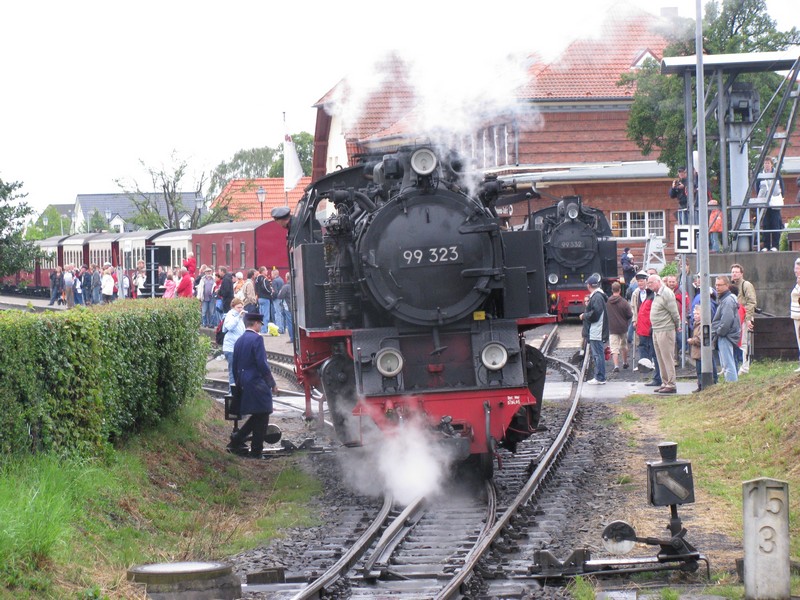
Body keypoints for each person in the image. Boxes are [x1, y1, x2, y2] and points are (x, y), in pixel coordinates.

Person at [227, 311, 278, 459]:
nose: (260, 327)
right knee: (264, 412)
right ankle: (256, 451)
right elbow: (262, 363)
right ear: (256, 324)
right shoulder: (257, 340)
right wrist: (271, 383)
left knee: (258, 414)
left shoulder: (239, 340)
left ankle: (237, 441)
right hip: (256, 382)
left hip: (243, 381)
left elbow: (235, 365)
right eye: (260, 324)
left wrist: (239, 383)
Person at [649, 274, 680, 394]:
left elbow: (674, 312)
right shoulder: (657, 294)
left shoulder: (666, 293)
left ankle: (671, 384)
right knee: (660, 358)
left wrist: (677, 326)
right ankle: (665, 382)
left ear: (658, 282)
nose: (649, 285)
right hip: (656, 329)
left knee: (667, 357)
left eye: (651, 283)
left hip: (665, 329)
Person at [580, 274, 609, 385]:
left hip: (596, 330)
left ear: (589, 285)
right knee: (598, 354)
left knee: (598, 354)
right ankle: (599, 376)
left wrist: (584, 316)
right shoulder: (599, 296)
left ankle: (600, 377)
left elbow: (596, 313)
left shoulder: (596, 297)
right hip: (596, 329)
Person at [711, 276, 741, 383]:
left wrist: (719, 332)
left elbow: (726, 320)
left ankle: (732, 385)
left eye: (720, 285)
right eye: (716, 285)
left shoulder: (728, 300)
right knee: (727, 362)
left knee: (728, 363)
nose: (717, 287)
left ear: (727, 286)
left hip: (726, 335)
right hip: (727, 334)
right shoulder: (726, 299)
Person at [730, 263, 756, 375]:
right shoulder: (732, 286)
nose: (734, 274)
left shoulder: (746, 285)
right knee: (737, 342)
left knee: (744, 342)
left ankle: (745, 367)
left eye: (736, 272)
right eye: (732, 272)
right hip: (736, 317)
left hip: (744, 317)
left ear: (741, 273)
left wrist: (748, 318)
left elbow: (752, 301)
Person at [606, 281, 632, 373]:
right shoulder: (624, 302)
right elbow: (629, 314)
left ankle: (616, 366)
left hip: (612, 328)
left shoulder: (608, 302)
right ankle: (625, 362)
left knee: (614, 348)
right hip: (623, 327)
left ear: (612, 290)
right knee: (624, 346)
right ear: (620, 290)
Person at [759, 158, 784, 251]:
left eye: (768, 163)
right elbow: (758, 187)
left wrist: (780, 198)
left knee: (775, 224)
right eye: (765, 163)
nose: (766, 165)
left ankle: (775, 246)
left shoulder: (777, 175)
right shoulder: (761, 175)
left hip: (775, 203)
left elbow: (782, 187)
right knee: (765, 225)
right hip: (765, 204)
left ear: (771, 164)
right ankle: (766, 245)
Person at [222, 298, 247, 389]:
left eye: (242, 307)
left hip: (238, 348)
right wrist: (238, 317)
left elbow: (241, 331)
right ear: (233, 307)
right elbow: (229, 326)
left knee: (239, 371)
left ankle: (237, 391)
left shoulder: (240, 317)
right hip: (230, 348)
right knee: (233, 371)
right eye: (238, 307)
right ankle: (231, 392)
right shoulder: (231, 315)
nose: (240, 309)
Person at [276, 271, 294, 343]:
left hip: (288, 307)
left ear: (286, 278)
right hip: (296, 307)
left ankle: (292, 338)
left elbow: (280, 296)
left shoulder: (285, 287)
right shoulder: (295, 285)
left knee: (289, 323)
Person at [255, 266, 274, 333]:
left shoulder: (257, 279)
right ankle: (264, 330)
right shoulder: (264, 279)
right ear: (263, 271)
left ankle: (260, 329)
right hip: (265, 298)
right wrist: (271, 291)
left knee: (261, 315)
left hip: (259, 298)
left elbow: (256, 288)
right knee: (266, 315)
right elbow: (265, 287)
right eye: (266, 270)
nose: (267, 271)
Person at [790, 257, 800, 373]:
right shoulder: (797, 282)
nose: (796, 271)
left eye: (798, 268)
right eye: (795, 268)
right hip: (796, 315)